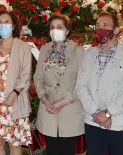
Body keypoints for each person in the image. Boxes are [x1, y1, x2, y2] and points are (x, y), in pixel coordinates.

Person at [75, 12, 123, 154]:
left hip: (120, 123)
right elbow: (81, 87)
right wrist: (97, 112)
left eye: (105, 25)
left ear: (116, 30)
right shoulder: (89, 54)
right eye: (98, 25)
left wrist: (108, 113)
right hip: (93, 121)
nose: (100, 28)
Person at [0, 9, 32, 155]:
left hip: (14, 101)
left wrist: (15, 94)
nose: (3, 25)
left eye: (7, 22)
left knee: (15, 143)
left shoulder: (23, 47)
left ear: (14, 26)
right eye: (0, 22)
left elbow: (25, 74)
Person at [34, 14, 85, 155]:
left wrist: (62, 102)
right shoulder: (45, 49)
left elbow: (82, 83)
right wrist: (44, 98)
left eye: (59, 27)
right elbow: (38, 77)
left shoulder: (77, 51)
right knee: (52, 150)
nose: (55, 30)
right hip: (48, 109)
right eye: (52, 27)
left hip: (69, 109)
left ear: (67, 30)